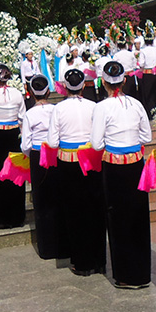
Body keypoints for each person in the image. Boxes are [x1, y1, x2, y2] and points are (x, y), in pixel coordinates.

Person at [90, 60, 152, 290]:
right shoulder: (136, 104)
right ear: (124, 80)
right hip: (136, 163)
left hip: (114, 167)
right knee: (138, 218)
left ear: (103, 82)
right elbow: (146, 137)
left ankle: (125, 275)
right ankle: (142, 273)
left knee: (118, 219)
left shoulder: (102, 107)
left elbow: (96, 144)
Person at [48, 67, 104, 276]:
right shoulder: (94, 106)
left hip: (69, 161)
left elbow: (53, 141)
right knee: (94, 209)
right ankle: (99, 260)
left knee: (74, 212)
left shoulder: (59, 109)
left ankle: (81, 262)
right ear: (82, 86)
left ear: (64, 87)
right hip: (91, 160)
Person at [22, 68, 68, 260]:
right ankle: (63, 245)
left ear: (31, 93)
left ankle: (47, 248)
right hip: (55, 154)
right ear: (48, 91)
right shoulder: (57, 109)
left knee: (41, 201)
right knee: (59, 197)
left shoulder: (29, 114)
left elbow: (25, 144)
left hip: (37, 155)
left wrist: (32, 153)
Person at [0, 64, 27, 229]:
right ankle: (18, 217)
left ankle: (2, 219)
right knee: (16, 174)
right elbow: (22, 116)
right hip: (14, 134)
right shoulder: (17, 94)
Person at [136, 37, 156, 118]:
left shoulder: (143, 51)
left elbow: (141, 64)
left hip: (147, 74)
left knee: (147, 94)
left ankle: (149, 113)